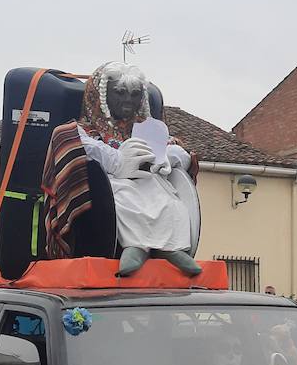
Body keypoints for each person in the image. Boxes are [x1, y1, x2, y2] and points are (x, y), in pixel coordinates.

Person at [41, 62, 200, 276]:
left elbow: (180, 153)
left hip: (150, 181)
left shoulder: (148, 129)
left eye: (135, 94)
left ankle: (170, 248)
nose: (128, 100)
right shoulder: (81, 131)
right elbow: (75, 146)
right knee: (124, 198)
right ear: (102, 95)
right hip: (111, 184)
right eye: (120, 92)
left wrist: (163, 157)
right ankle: (135, 246)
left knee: (170, 203)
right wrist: (119, 159)